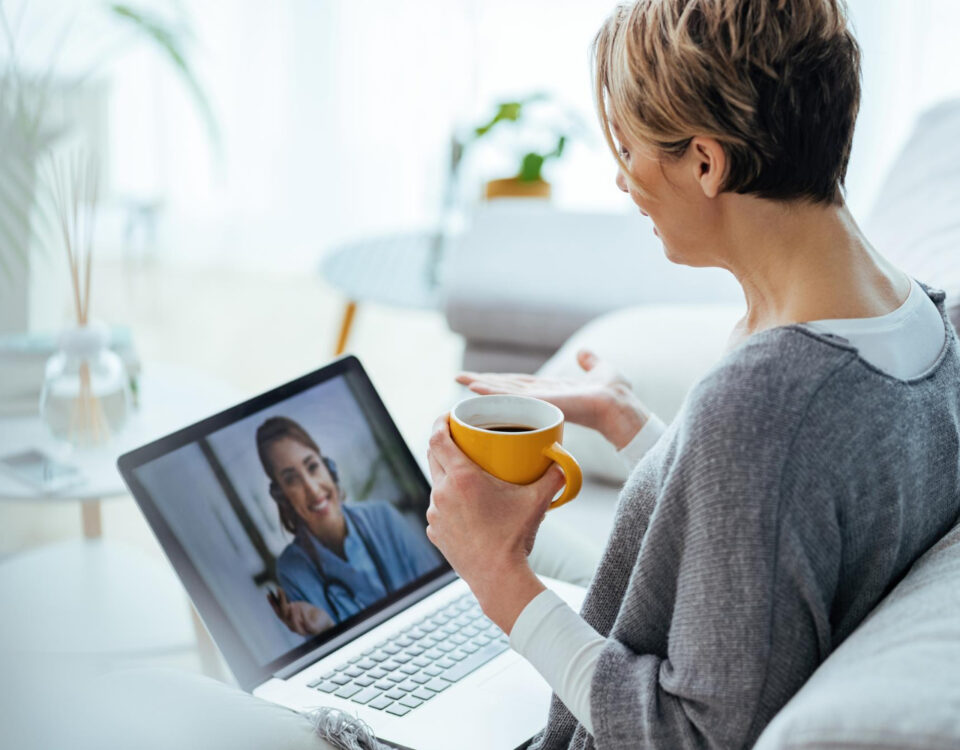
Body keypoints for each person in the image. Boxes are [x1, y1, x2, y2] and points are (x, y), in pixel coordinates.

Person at [424, 1, 960, 748]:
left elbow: (690, 736)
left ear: (707, 163)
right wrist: (633, 425)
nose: (622, 180)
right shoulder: (920, 317)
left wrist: (498, 580)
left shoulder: (767, 403)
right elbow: (775, 533)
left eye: (631, 149)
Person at [256, 416, 441, 636]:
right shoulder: (293, 570)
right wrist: (326, 630)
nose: (313, 490)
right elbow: (323, 655)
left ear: (329, 467)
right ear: (281, 496)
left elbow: (439, 593)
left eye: (312, 467)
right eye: (292, 480)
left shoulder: (383, 517)